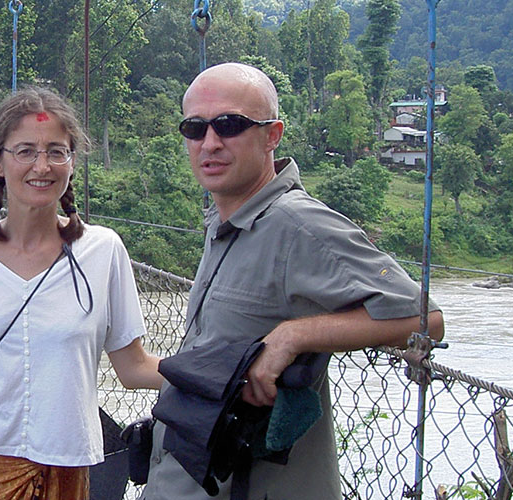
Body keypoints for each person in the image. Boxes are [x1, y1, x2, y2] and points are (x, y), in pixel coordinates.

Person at [140, 62, 446, 499]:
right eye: (195, 127)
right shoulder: (226, 220)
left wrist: (294, 336)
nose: (210, 142)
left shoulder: (297, 224)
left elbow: (424, 318)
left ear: (272, 135)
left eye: (230, 124)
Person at [0, 87, 165, 500]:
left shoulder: (103, 251)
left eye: (57, 151)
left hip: (65, 470)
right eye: (25, 151)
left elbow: (132, 367)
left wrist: (217, 375)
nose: (42, 166)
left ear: (72, 162)